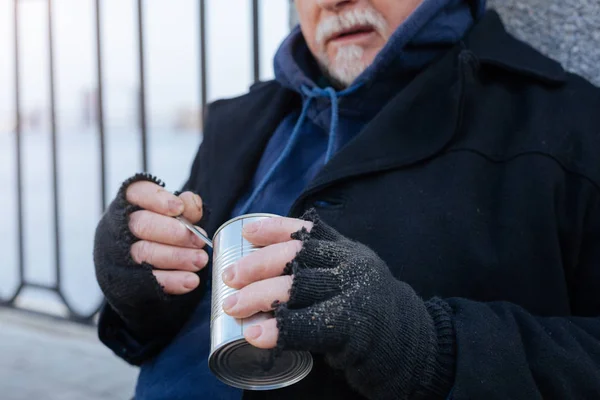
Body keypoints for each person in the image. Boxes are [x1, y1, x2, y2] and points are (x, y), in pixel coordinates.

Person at [93, 0, 600, 399]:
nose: (334, 0)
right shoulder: (239, 120)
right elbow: (169, 323)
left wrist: (427, 350)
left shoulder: (571, 127)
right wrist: (137, 278)